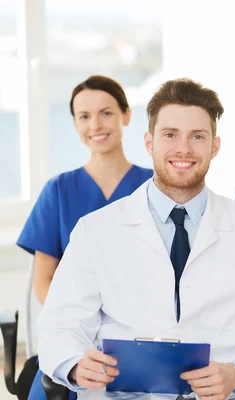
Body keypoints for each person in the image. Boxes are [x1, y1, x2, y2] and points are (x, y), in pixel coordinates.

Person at [37, 78, 235, 400]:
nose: (184, 148)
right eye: (170, 135)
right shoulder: (94, 230)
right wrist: (74, 365)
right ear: (150, 142)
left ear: (215, 146)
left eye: (197, 136)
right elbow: (58, 325)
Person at [17, 75, 154, 400]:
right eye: (84, 116)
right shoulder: (59, 192)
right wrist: (80, 322)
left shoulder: (155, 187)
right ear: (75, 124)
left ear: (126, 115)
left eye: (106, 112)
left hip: (143, 333)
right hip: (76, 334)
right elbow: (43, 283)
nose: (96, 124)